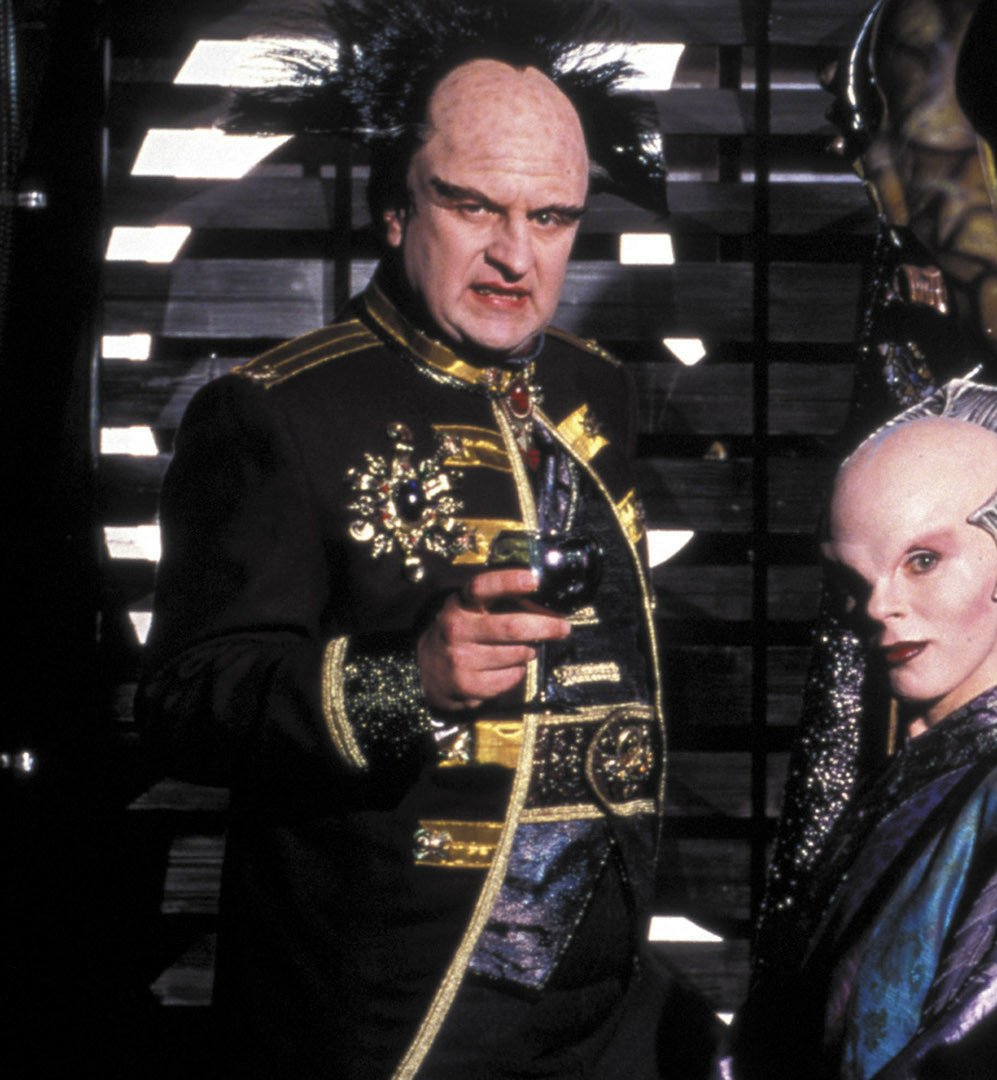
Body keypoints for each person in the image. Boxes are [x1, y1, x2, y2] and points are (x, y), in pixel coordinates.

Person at [137, 4, 698, 1077]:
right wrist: (408, 684)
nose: (515, 256)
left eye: (551, 217)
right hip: (400, 1009)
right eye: (473, 205)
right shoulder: (275, 412)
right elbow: (185, 702)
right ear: (396, 210)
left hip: (604, 1007)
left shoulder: (596, 388)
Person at [722, 379, 997, 1079]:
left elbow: (972, 1055)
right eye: (855, 580)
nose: (878, 606)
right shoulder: (905, 788)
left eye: (923, 561)